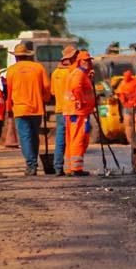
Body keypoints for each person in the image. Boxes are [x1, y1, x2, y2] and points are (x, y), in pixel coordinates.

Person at [5, 42, 50, 176]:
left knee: (25, 137)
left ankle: (31, 165)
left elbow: (8, 91)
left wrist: (8, 109)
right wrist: (45, 99)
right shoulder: (38, 68)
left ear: (17, 57)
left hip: (20, 109)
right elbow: (47, 87)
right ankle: (33, 162)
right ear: (28, 55)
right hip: (37, 108)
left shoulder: (11, 70)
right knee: (34, 136)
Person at [64, 50, 95, 176]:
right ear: (79, 61)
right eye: (85, 60)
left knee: (72, 139)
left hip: (73, 111)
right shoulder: (78, 74)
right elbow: (76, 87)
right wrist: (81, 101)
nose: (88, 62)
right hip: (78, 112)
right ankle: (76, 168)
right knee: (78, 139)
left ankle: (70, 168)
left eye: (89, 60)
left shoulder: (79, 73)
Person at [50, 46, 78, 177]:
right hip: (71, 110)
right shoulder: (72, 72)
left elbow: (53, 92)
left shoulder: (55, 73)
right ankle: (72, 168)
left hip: (59, 109)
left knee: (60, 139)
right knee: (73, 139)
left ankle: (58, 167)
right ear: (71, 57)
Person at [116, 70, 136, 145]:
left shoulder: (125, 83)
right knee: (131, 123)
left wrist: (124, 101)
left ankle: (133, 140)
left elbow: (120, 95)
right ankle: (133, 140)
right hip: (131, 106)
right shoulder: (134, 82)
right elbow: (120, 95)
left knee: (132, 123)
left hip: (133, 106)